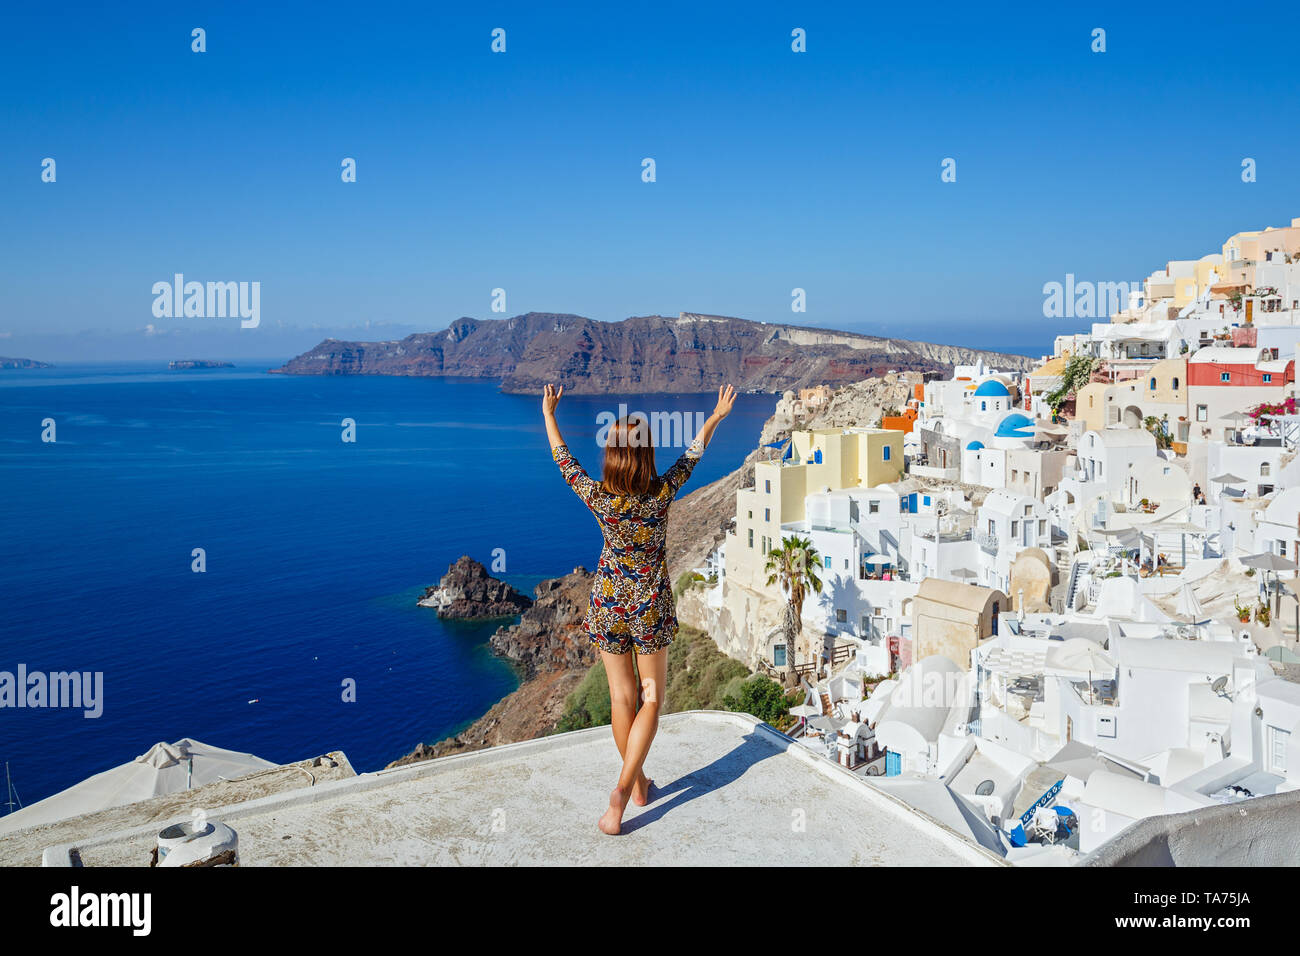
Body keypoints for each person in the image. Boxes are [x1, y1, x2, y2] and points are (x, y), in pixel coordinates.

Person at [542, 382, 737, 834]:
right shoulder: (661, 493)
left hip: (609, 601)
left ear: (611, 456)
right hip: (648, 604)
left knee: (620, 699)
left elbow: (564, 461)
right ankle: (623, 790)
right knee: (651, 698)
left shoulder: (600, 497)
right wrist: (714, 416)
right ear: (646, 455)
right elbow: (693, 455)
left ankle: (639, 786)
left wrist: (549, 415)